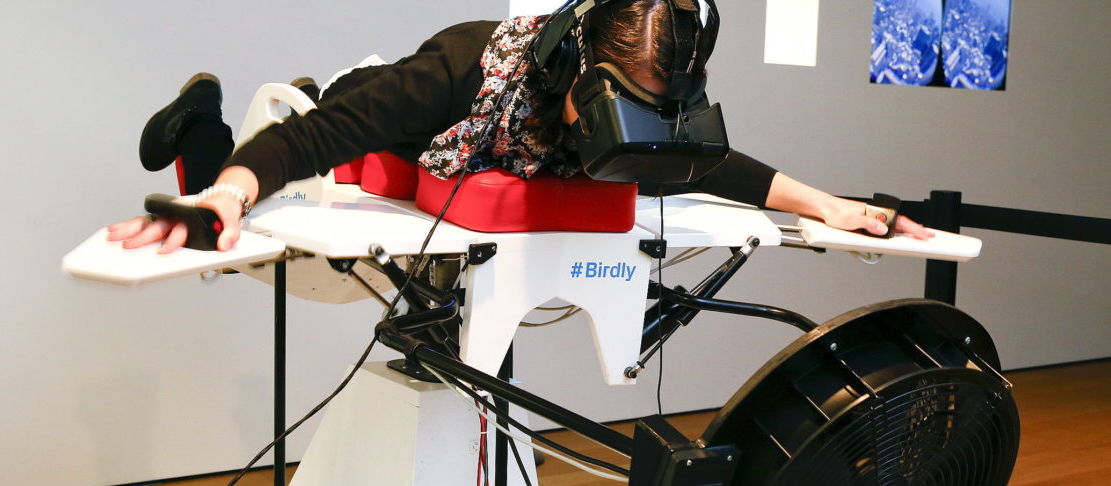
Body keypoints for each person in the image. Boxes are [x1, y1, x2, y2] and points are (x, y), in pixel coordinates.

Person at [109, 0, 932, 254]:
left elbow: (703, 165)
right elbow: (306, 144)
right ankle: (198, 124)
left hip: (448, 144)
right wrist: (225, 195)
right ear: (570, 60)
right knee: (248, 220)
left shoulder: (634, 114)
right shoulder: (468, 65)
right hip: (362, 119)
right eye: (620, 105)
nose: (632, 133)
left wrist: (822, 203)